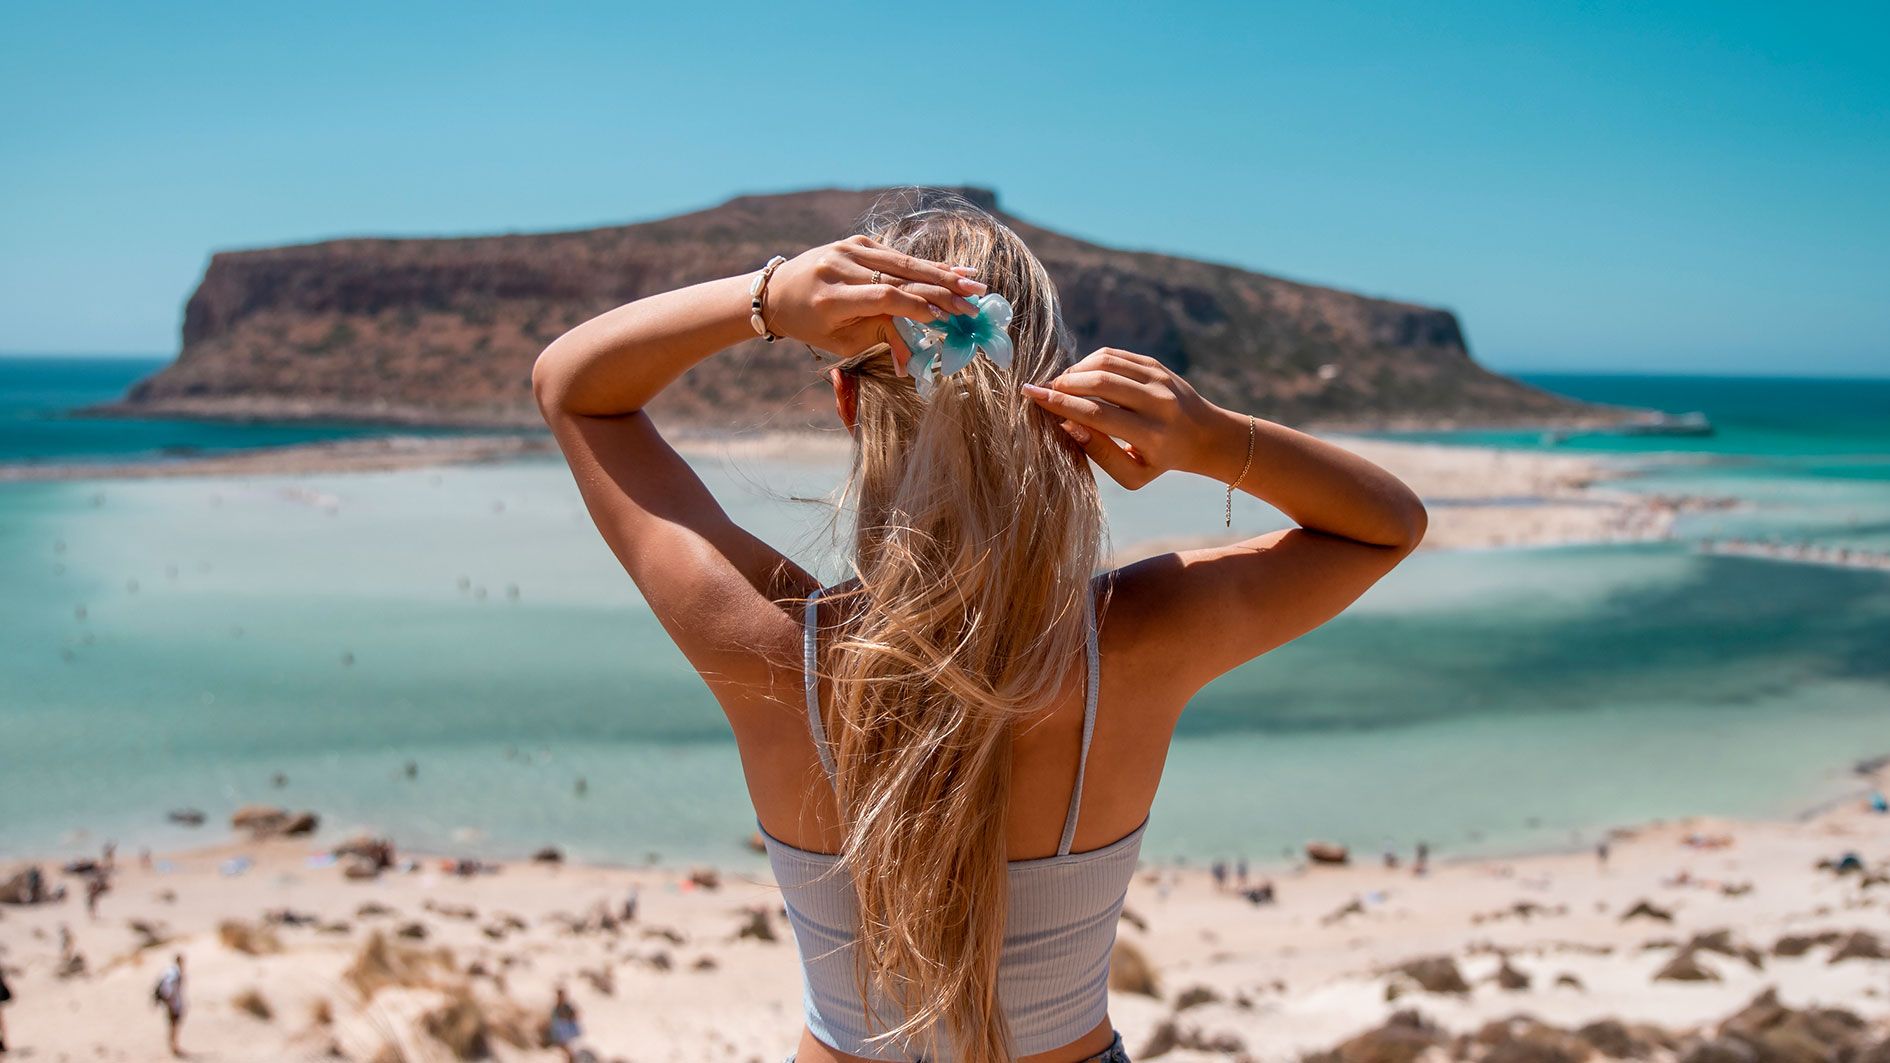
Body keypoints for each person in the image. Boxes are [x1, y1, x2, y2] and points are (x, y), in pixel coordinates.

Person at [536, 190, 1426, 1063]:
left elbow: (574, 390)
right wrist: (1209, 437)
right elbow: (1386, 524)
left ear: (848, 403)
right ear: (1067, 413)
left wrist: (766, 299)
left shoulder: (776, 649)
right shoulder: (1136, 639)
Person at [154, 953, 185, 1057]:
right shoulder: (174, 973)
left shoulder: (172, 971)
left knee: (173, 1025)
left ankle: (173, 1045)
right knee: (174, 1026)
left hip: (174, 1003)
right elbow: (167, 988)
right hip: (173, 1004)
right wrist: (170, 1001)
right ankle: (173, 1046)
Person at [548, 986, 581, 1062]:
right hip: (560, 1031)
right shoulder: (557, 1007)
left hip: (567, 1031)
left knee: (568, 1049)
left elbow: (575, 1015)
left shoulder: (566, 1006)